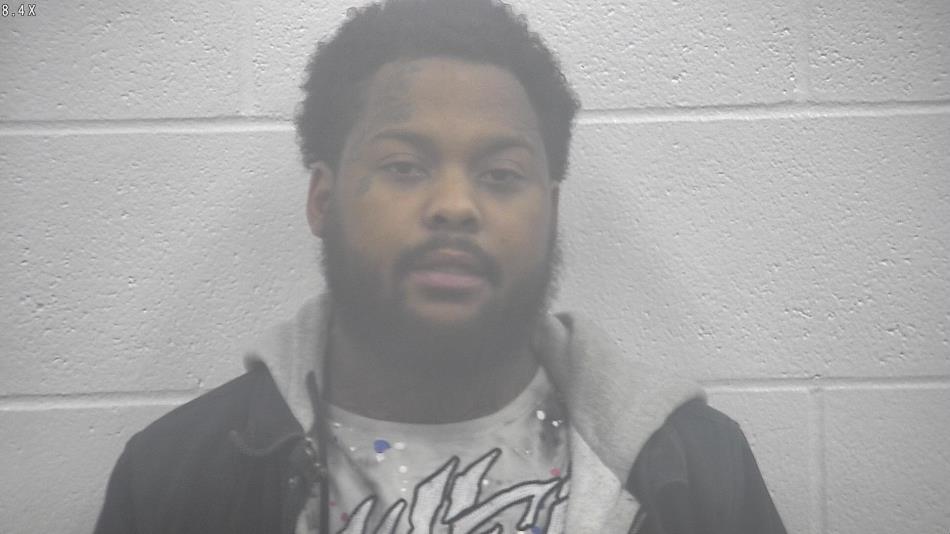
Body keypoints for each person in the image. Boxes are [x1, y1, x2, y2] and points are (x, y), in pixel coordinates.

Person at [94, 0, 787, 532]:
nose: (455, 206)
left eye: (500, 174)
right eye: (405, 166)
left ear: (550, 210)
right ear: (323, 200)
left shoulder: (696, 471)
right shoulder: (177, 478)